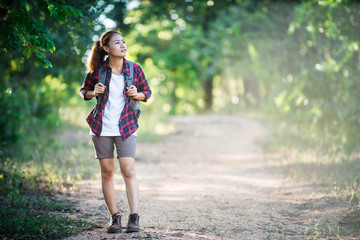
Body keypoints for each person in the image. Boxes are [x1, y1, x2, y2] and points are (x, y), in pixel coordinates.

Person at [79, 30, 151, 233]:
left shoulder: (134, 69)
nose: (123, 45)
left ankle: (134, 217)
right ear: (106, 48)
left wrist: (138, 94)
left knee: (128, 170)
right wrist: (94, 92)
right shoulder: (98, 71)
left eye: (124, 42)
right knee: (108, 172)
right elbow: (84, 91)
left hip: (126, 125)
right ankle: (115, 218)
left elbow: (148, 92)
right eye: (117, 43)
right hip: (101, 126)